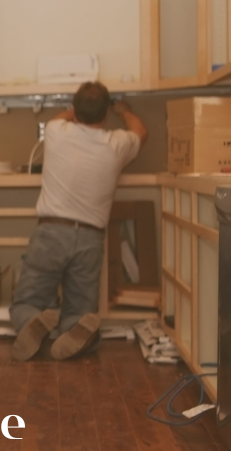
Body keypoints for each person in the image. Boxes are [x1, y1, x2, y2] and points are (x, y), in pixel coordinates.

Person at [10, 81, 147, 362]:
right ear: (105, 114)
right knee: (81, 308)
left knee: (26, 301)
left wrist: (72, 111)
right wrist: (123, 109)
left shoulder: (56, 131)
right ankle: (75, 328)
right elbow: (141, 131)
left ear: (74, 110)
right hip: (90, 237)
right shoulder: (117, 144)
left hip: (51, 231)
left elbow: (58, 118)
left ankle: (31, 322)